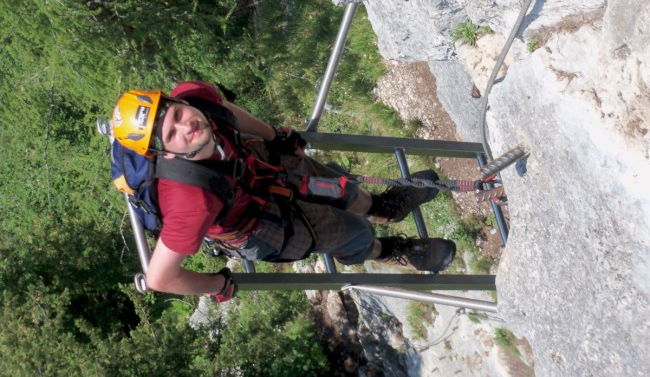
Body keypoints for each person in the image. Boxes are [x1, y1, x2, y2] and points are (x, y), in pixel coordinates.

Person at [112, 80, 456, 302]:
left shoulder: (196, 100)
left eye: (177, 112)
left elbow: (225, 111)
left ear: (176, 100)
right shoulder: (191, 201)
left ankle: (385, 207)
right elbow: (160, 277)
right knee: (352, 233)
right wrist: (217, 285)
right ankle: (390, 250)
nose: (187, 125)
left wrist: (275, 136)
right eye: (172, 133)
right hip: (255, 224)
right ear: (166, 153)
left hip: (259, 166)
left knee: (340, 187)